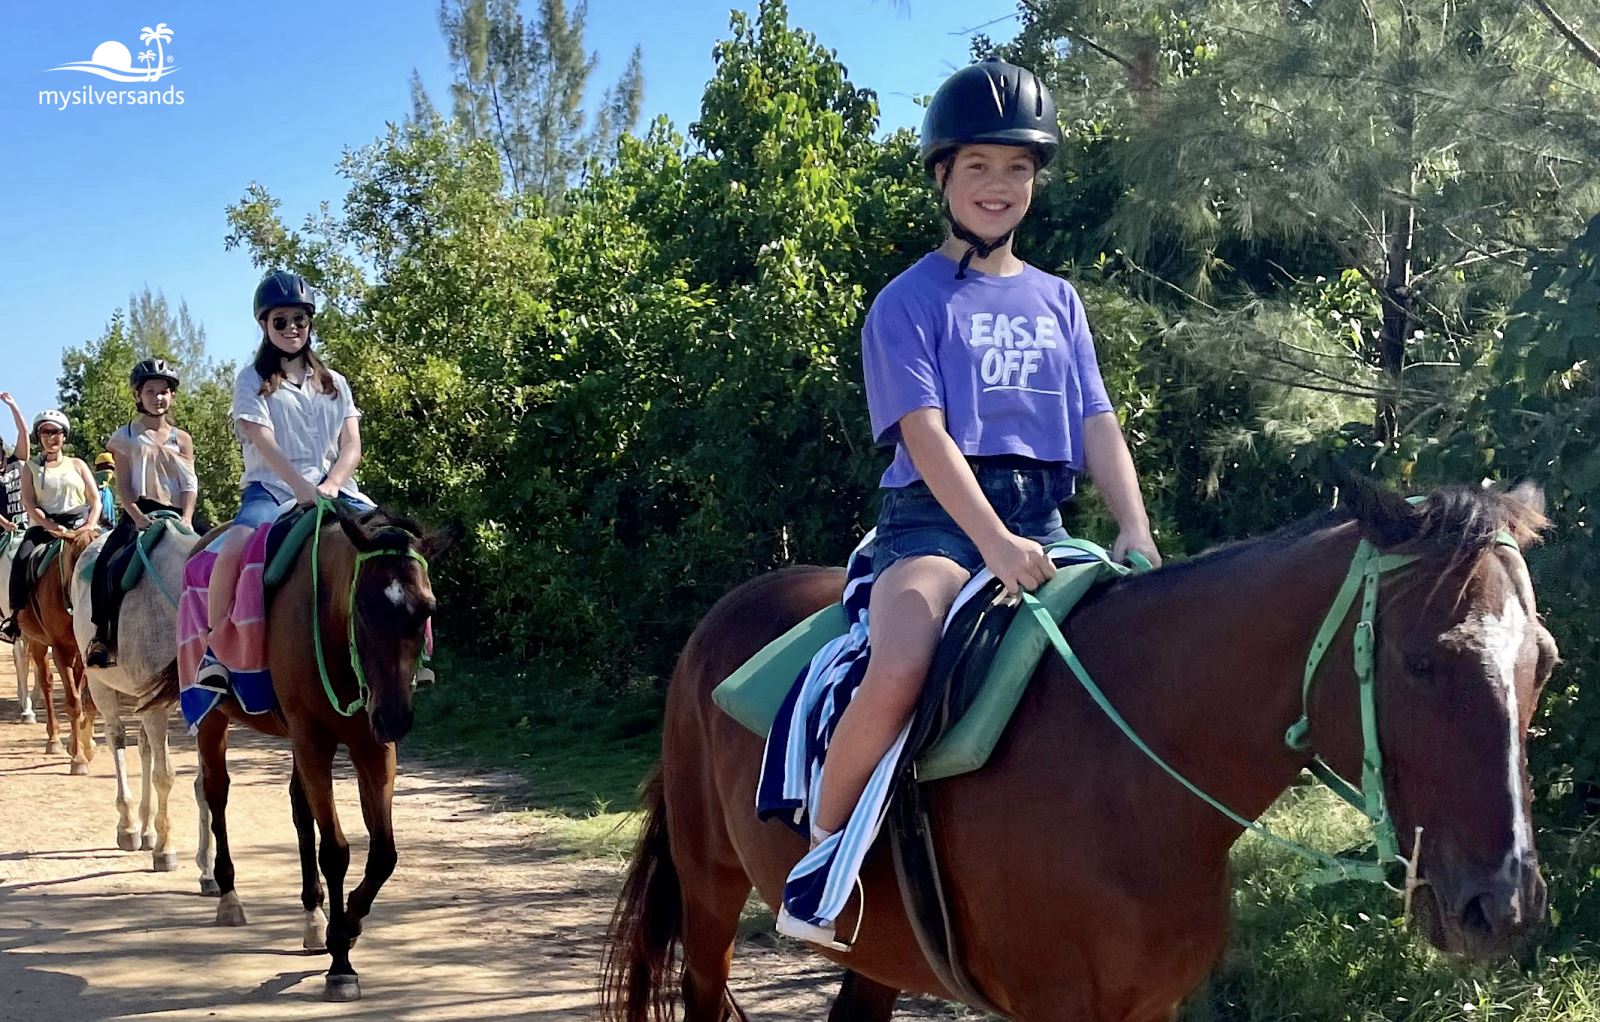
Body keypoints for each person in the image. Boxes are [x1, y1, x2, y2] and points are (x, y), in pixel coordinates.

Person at [778, 59, 1164, 942]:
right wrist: (989, 545)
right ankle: (819, 857)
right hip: (936, 526)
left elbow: (1097, 420)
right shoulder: (906, 302)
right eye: (980, 166)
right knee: (905, 662)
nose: (1000, 185)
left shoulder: (1059, 301)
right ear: (943, 174)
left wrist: (1135, 526)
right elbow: (925, 436)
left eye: (1018, 167)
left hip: (1045, 518)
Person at [197, 270, 373, 687]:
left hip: (336, 488)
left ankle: (413, 652)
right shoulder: (251, 380)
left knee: (398, 545)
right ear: (264, 325)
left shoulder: (336, 383)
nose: (292, 328)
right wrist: (301, 489)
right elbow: (264, 441)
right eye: (281, 321)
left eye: (300, 319)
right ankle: (215, 652)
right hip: (272, 488)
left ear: (310, 323)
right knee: (235, 547)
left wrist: (331, 485)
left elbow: (352, 446)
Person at [85, 359, 200, 667]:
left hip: (179, 513)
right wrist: (136, 516)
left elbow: (189, 483)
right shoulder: (125, 436)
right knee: (107, 564)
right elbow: (123, 484)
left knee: (216, 554)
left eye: (164, 391)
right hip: (142, 511)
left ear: (172, 396)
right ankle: (101, 635)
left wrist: (188, 517)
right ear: (138, 395)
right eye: (150, 391)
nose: (158, 397)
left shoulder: (182, 439)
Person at [1, 410, 100, 639]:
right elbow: (29, 503)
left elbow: (94, 500)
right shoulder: (30, 468)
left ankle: (109, 616)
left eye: (56, 432)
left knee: (109, 556)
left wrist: (88, 525)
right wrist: (51, 527)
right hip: (45, 529)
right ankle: (15, 618)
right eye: (46, 432)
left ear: (64, 436)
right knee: (22, 559)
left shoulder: (77, 464)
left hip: (81, 526)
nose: (51, 437)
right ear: (39, 436)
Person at [0, 393, 30, 536]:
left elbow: (23, 432)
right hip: (4, 532)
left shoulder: (18, 460)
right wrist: (4, 524)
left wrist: (13, 406)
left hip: (28, 526)